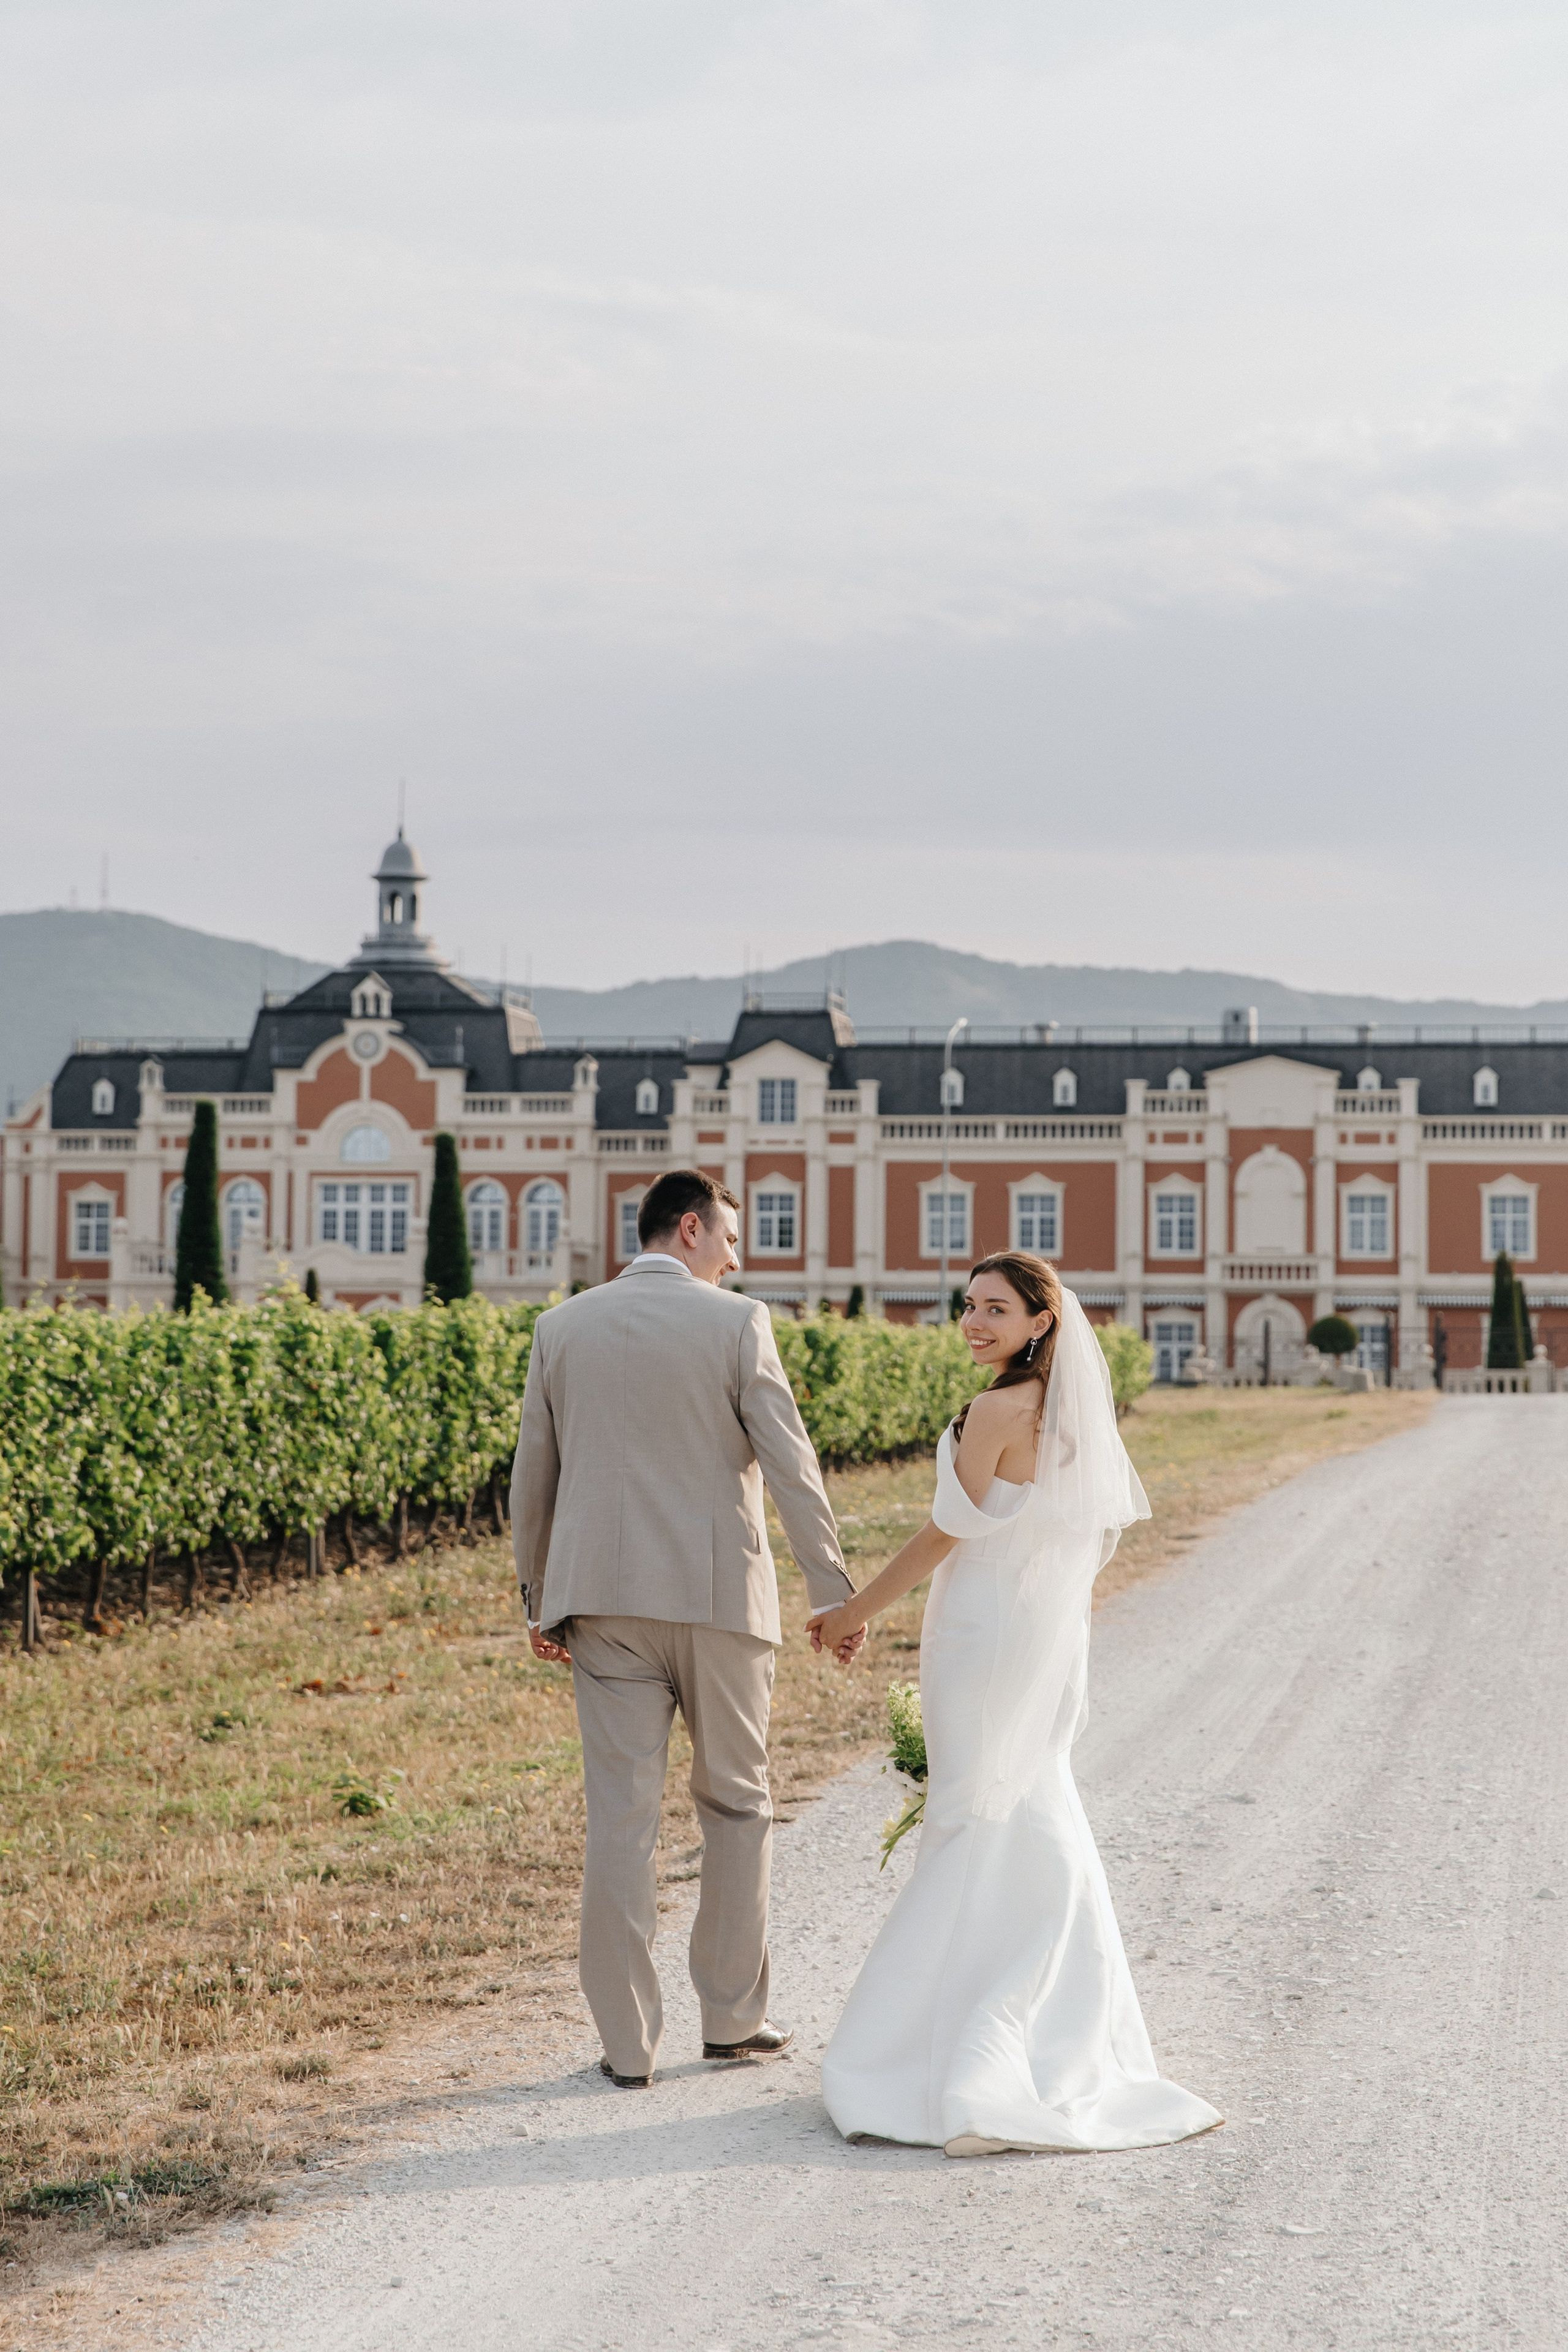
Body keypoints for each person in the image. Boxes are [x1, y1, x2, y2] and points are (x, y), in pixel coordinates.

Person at [811, 1252, 1222, 2158]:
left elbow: (943, 1534)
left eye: (996, 1309)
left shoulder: (1000, 1409)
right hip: (1033, 1623)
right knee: (1026, 1795)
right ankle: (1047, 2019)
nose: (974, 1323)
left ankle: (958, 2048)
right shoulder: (1064, 1413)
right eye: (968, 1307)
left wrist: (851, 1612)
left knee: (972, 1811)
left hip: (983, 1631)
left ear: (1043, 1321)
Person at [511, 1167, 863, 2088]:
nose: (738, 1259)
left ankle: (627, 2050)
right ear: (694, 1229)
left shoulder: (560, 1328)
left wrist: (536, 1596)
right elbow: (792, 1465)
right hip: (719, 1602)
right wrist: (833, 1590)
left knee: (619, 1824)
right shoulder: (737, 1322)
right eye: (733, 1242)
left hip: (601, 1606)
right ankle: (732, 2022)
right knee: (738, 1807)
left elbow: (532, 1478)